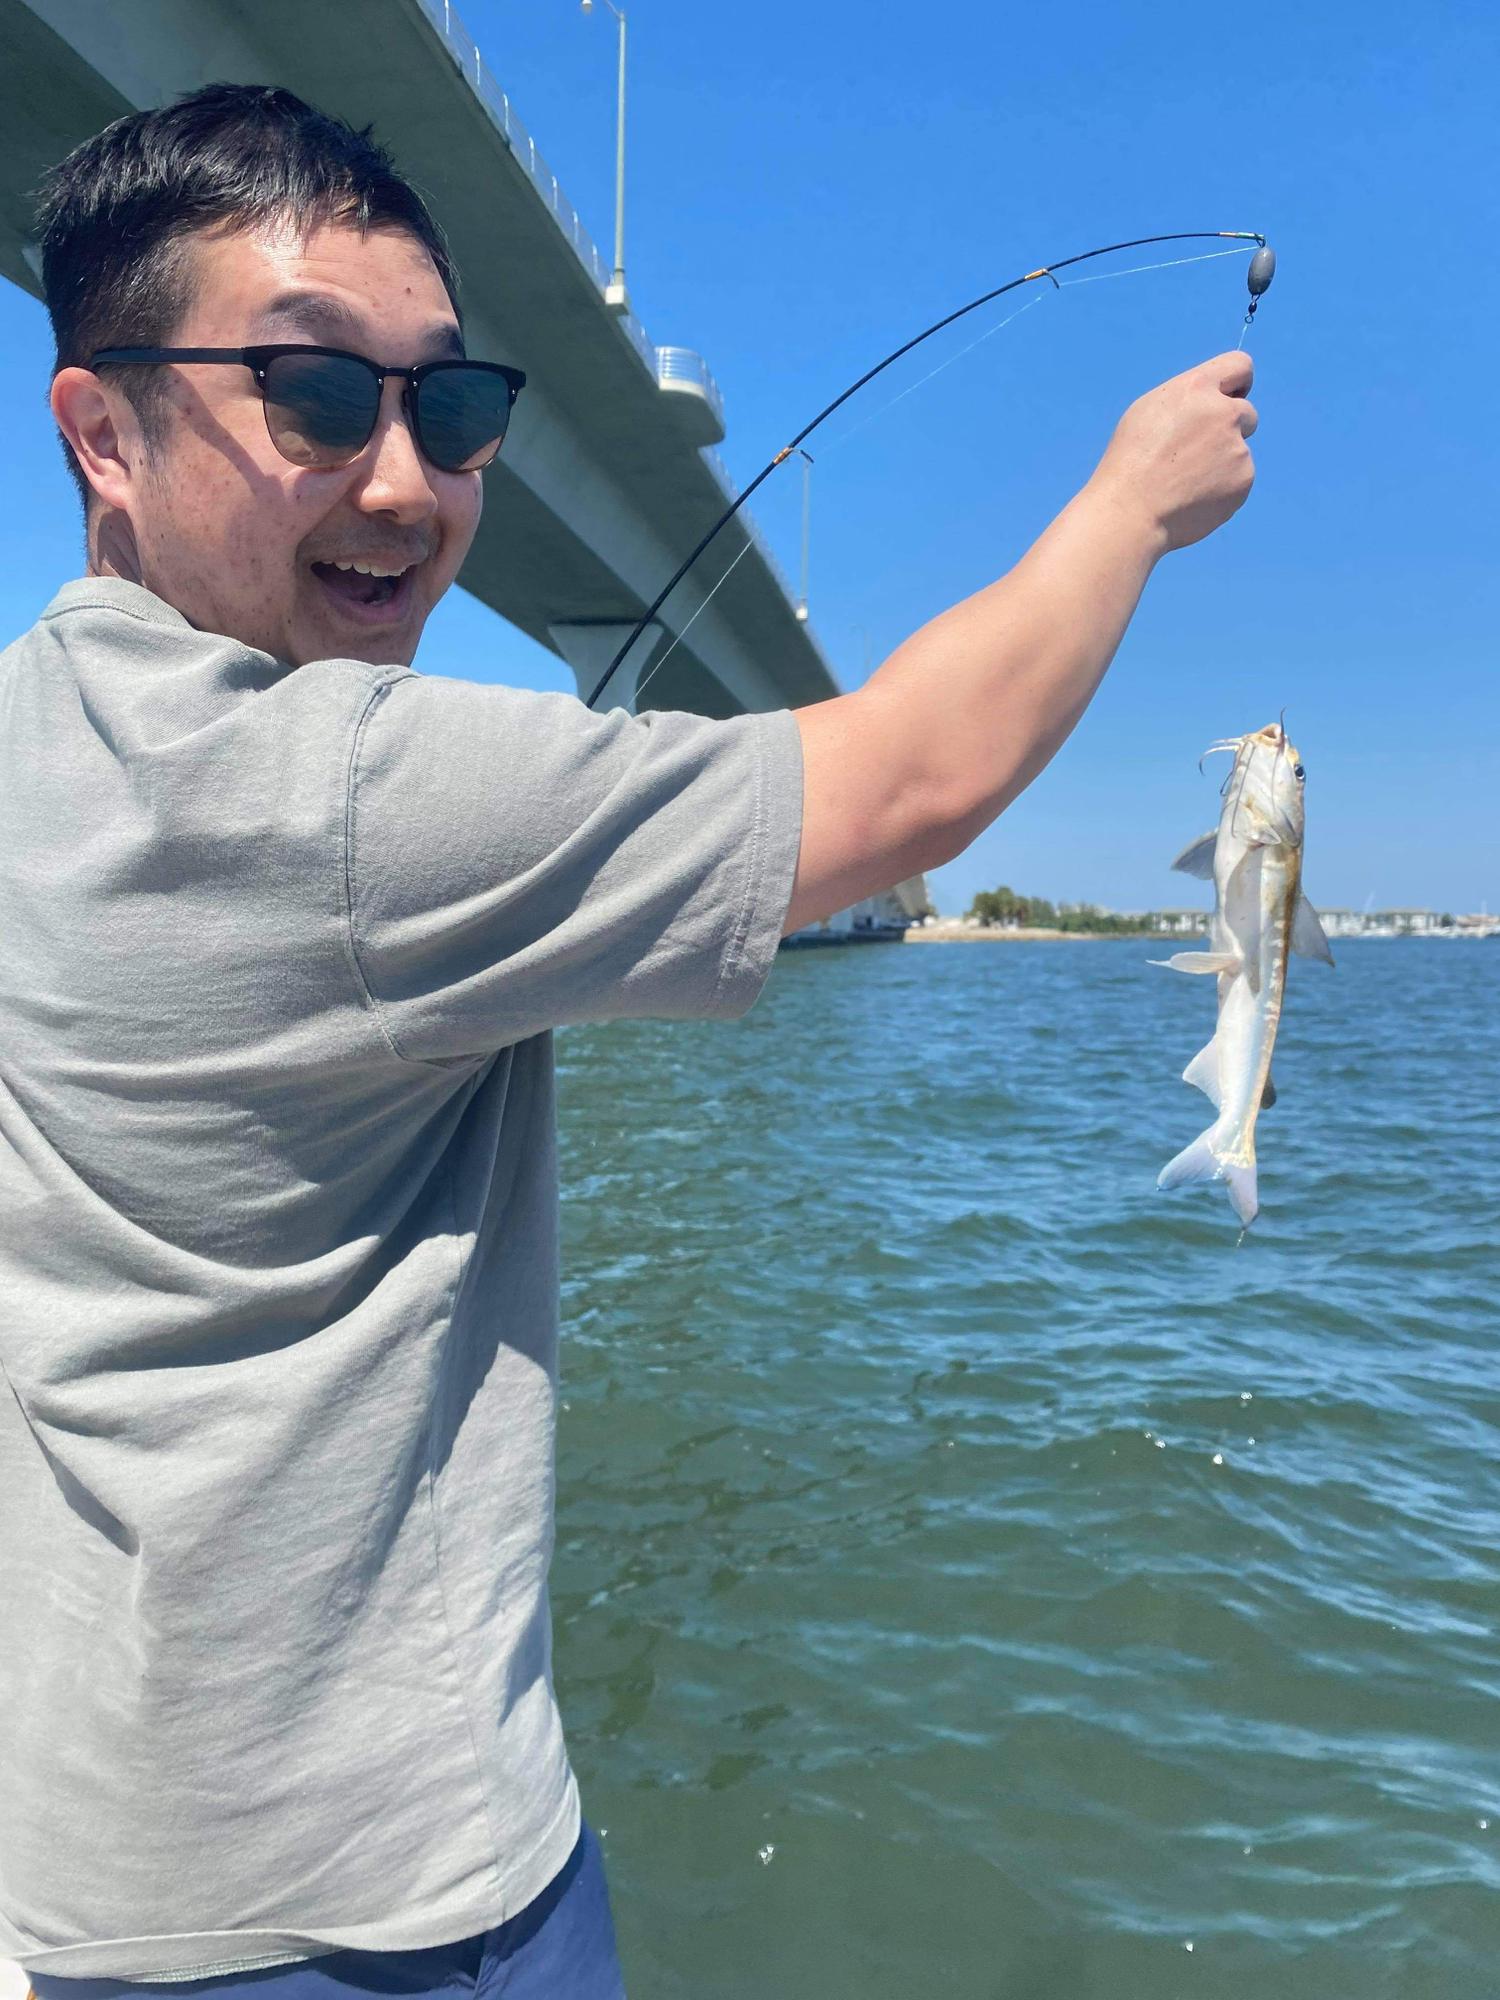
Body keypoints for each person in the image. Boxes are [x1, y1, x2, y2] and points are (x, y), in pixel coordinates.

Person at [0, 81, 1255, 2000]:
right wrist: (1134, 502)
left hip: (109, 1861)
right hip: (383, 1901)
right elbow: (916, 778)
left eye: (454, 408)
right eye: (314, 397)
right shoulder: (346, 794)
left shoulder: (37, 744)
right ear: (102, 428)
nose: (406, 484)